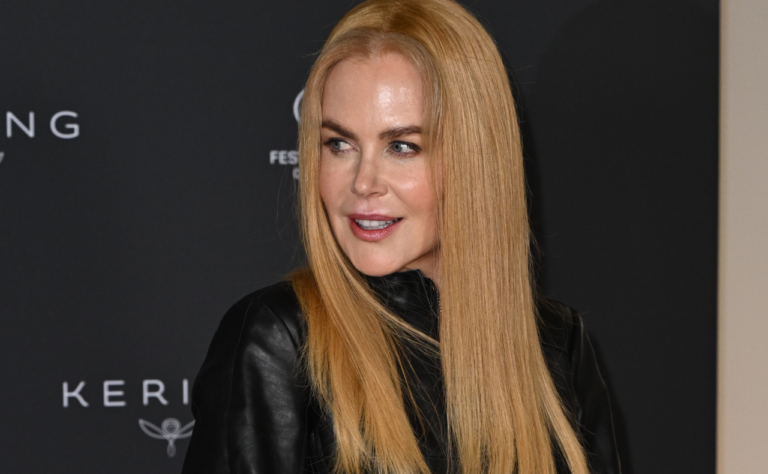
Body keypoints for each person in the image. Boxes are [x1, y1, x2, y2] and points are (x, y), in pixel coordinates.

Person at [181, 0, 621, 472]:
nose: (363, 182)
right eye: (339, 144)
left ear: (474, 161)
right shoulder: (278, 340)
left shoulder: (556, 344)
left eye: (402, 146)